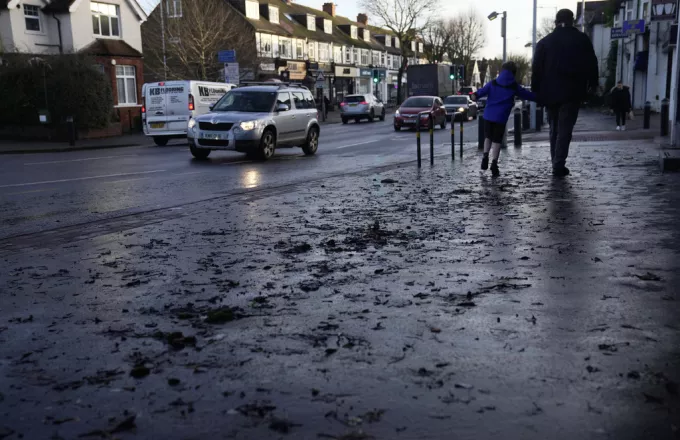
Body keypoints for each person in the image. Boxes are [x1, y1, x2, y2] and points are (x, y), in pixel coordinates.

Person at [532, 9, 599, 177]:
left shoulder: (545, 42)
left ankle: (556, 160)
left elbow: (536, 69)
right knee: (565, 128)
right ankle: (558, 163)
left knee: (554, 127)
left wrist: (536, 90)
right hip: (572, 91)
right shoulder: (581, 39)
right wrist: (593, 84)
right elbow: (592, 62)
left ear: (556, 21)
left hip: (550, 93)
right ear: (572, 21)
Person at [472, 61, 537, 177]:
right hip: (501, 117)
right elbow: (527, 94)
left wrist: (475, 95)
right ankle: (494, 164)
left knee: (488, 137)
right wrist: (539, 97)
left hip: (489, 115)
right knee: (497, 140)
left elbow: (481, 92)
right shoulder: (514, 86)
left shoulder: (493, 83)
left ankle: (485, 156)